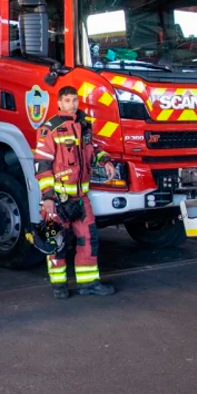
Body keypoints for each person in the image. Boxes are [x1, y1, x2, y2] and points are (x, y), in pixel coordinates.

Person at [34, 85, 117, 299]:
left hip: (81, 200)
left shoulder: (84, 125)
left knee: (89, 240)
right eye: (68, 100)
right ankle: (59, 286)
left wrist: (105, 160)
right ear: (59, 103)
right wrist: (48, 197)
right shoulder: (50, 129)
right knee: (56, 243)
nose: (72, 104)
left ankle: (88, 283)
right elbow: (42, 165)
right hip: (58, 199)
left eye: (75, 100)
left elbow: (94, 150)